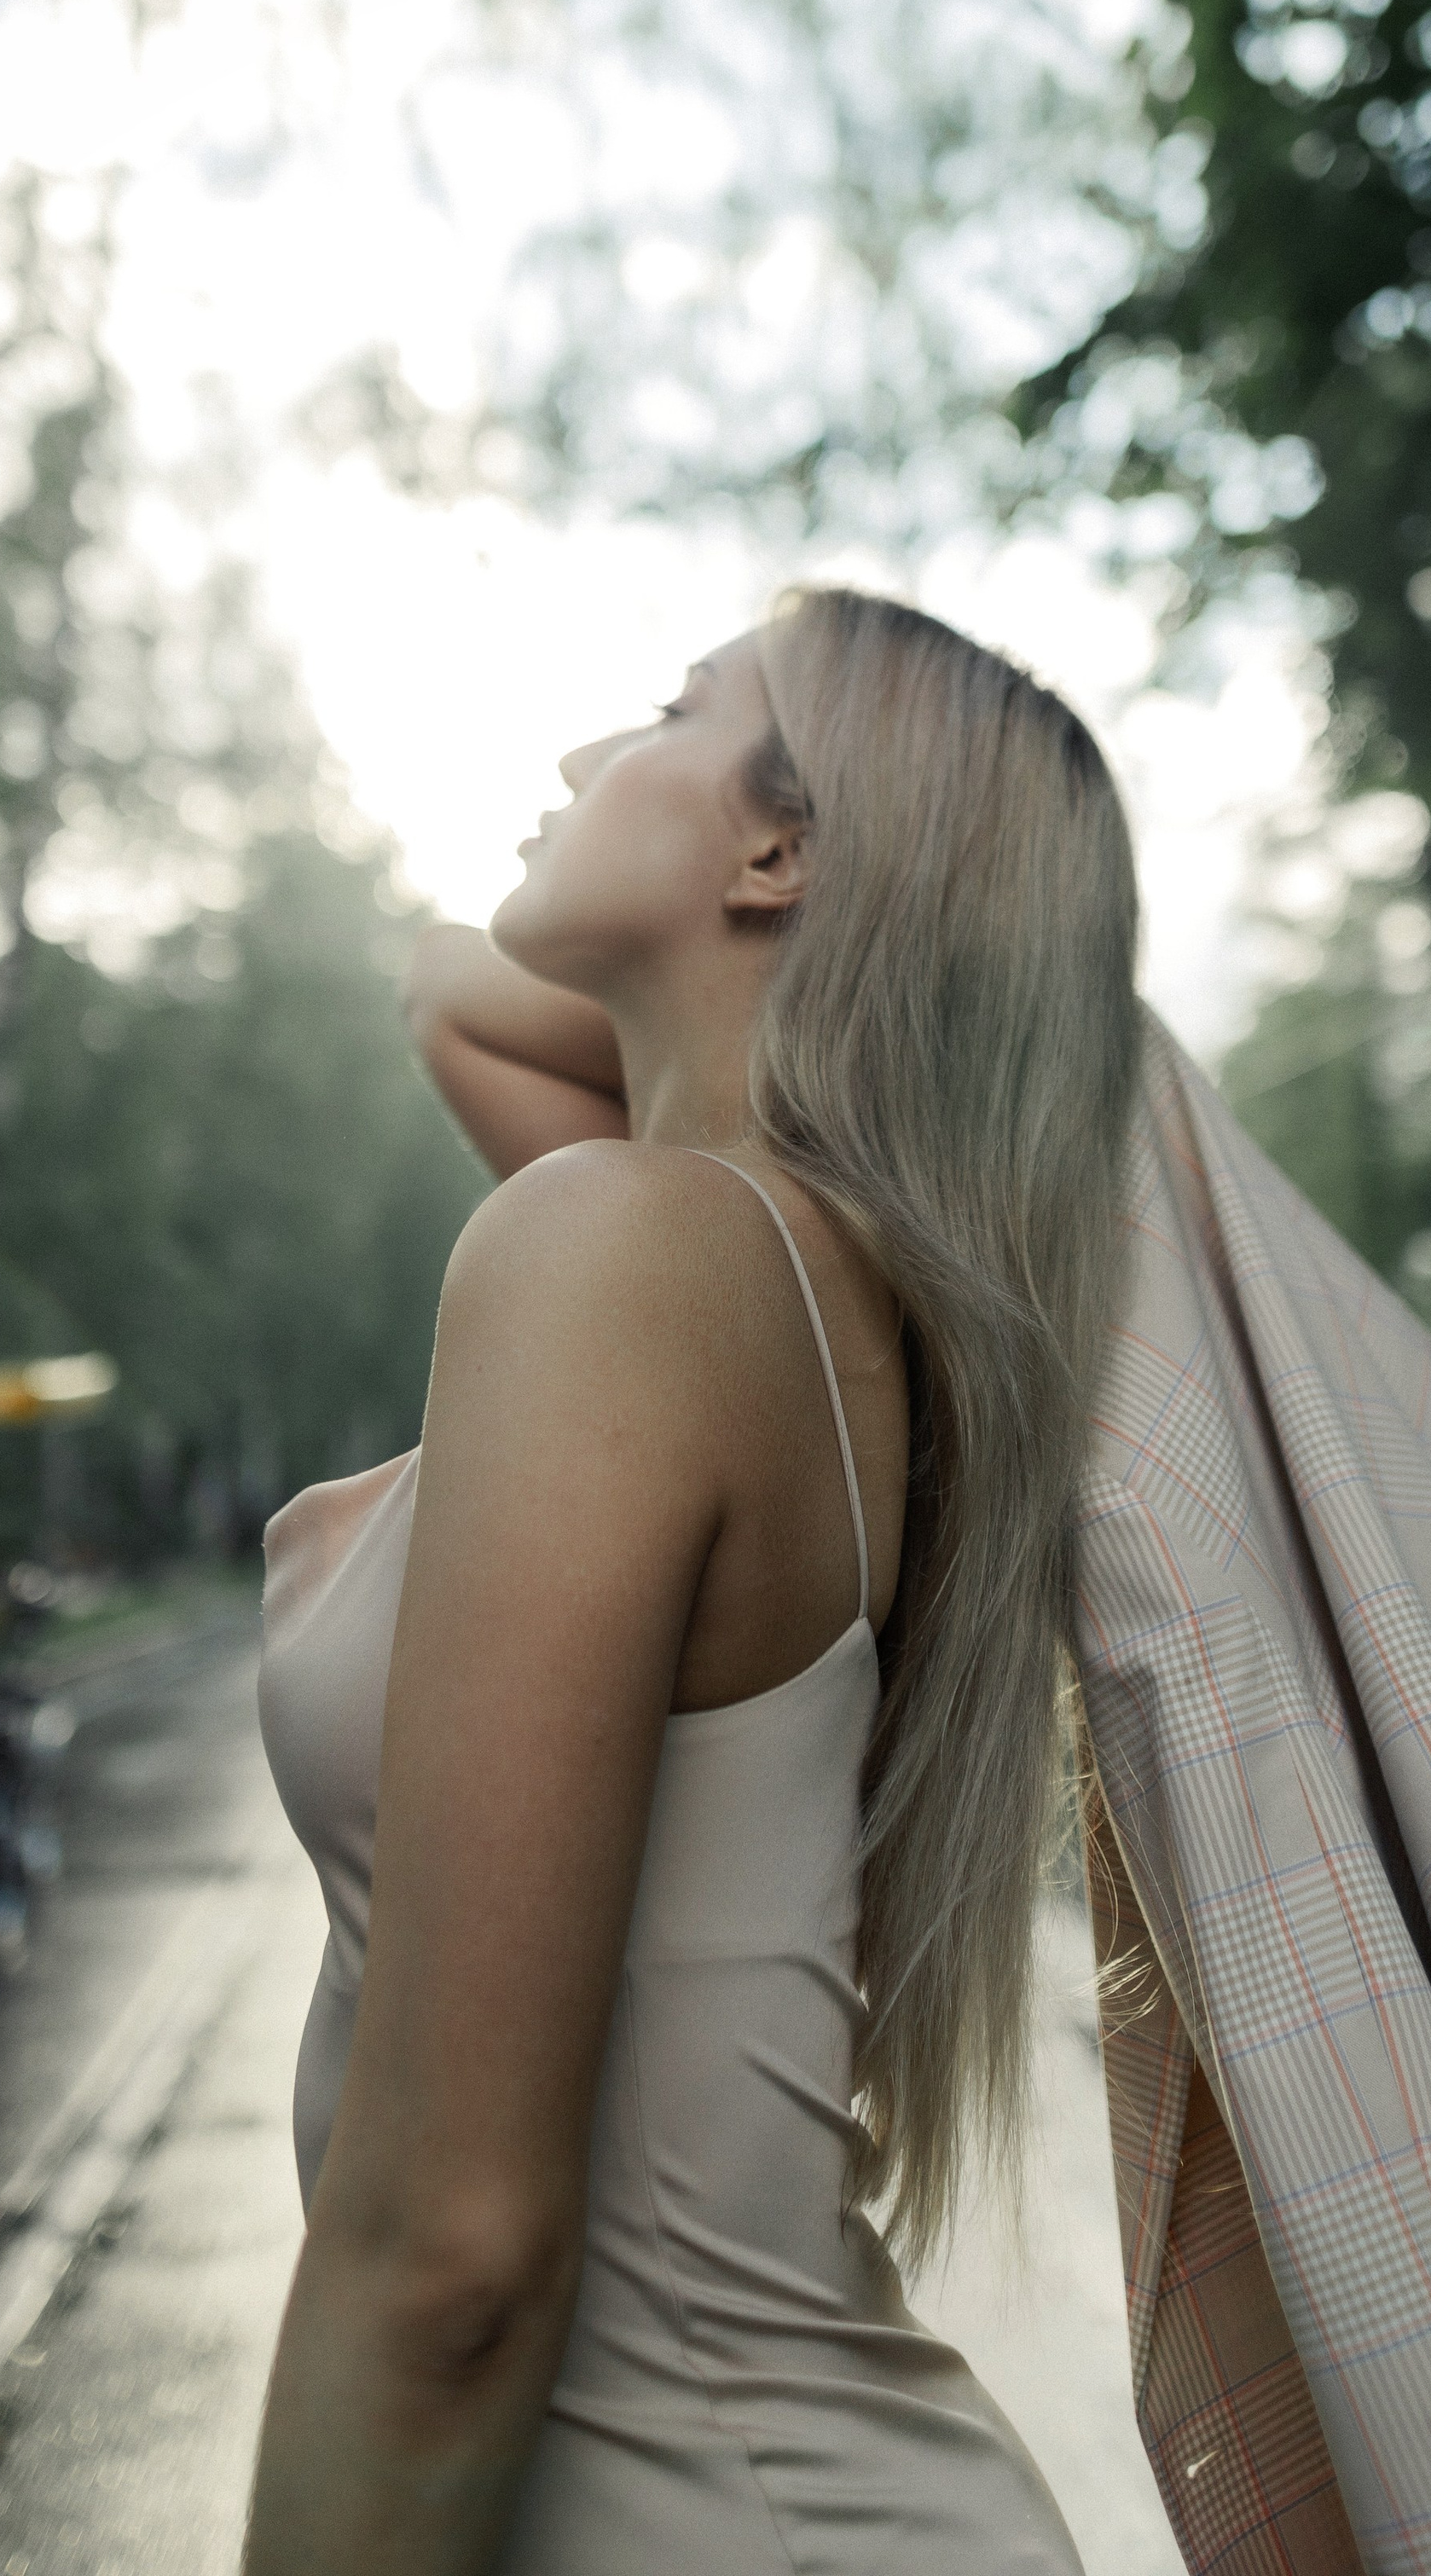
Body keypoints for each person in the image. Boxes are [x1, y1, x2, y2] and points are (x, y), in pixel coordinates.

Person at [246, 588, 1139, 2576]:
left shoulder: (635, 1252)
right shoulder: (770, 1279)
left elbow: (452, 2258)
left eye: (663, 708)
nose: (574, 756)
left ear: (779, 845)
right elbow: (450, 989)